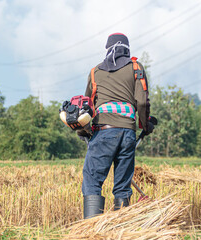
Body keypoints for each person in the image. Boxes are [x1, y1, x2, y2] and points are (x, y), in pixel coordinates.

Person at [79, 33, 153, 219]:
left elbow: (86, 106)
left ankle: (91, 230)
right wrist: (145, 124)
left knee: (93, 180)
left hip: (103, 131)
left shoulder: (95, 72)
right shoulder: (136, 67)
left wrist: (81, 130)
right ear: (127, 49)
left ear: (107, 49)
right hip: (127, 132)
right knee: (122, 186)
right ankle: (121, 229)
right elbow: (142, 103)